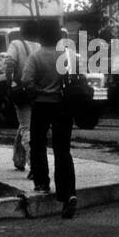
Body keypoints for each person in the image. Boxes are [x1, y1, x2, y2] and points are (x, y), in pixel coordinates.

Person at [21, 18, 78, 218]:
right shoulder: (66, 56)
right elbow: (73, 79)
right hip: (62, 106)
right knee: (63, 149)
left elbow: (26, 81)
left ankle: (42, 183)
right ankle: (67, 191)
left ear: (40, 36)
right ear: (57, 36)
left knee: (38, 144)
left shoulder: (35, 57)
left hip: (42, 105)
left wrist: (38, 90)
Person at [1, 19, 41, 176]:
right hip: (36, 91)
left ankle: (35, 166)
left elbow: (9, 62)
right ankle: (19, 159)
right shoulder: (39, 47)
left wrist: (9, 82)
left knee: (26, 127)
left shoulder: (16, 44)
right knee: (24, 123)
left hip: (21, 90)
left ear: (22, 31)